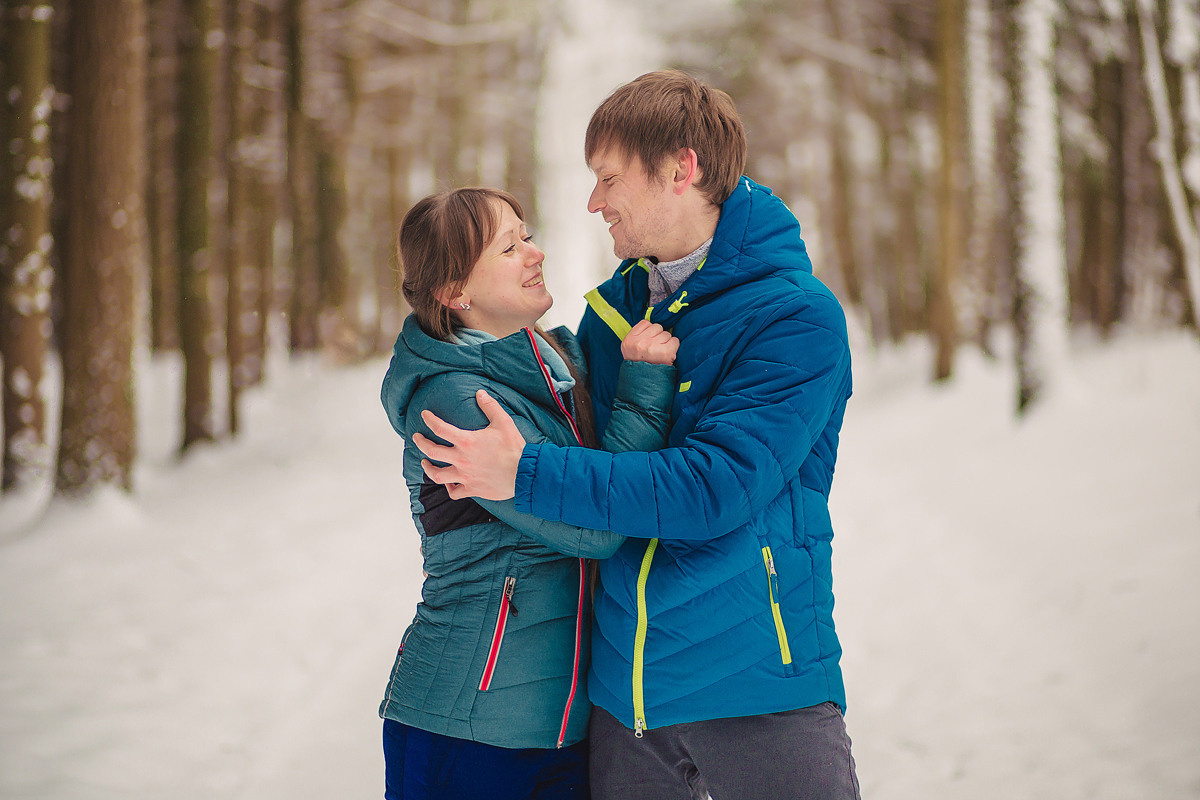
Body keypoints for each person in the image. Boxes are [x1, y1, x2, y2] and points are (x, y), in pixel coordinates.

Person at [411, 71, 860, 800]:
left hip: (757, 693)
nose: (594, 202)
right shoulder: (612, 315)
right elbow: (577, 447)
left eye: (608, 178)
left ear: (681, 170)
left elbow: (711, 489)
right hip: (623, 709)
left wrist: (523, 474)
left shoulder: (793, 316)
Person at [379, 186, 680, 800]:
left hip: (557, 727)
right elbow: (597, 525)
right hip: (467, 726)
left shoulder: (551, 371)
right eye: (508, 247)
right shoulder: (457, 401)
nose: (534, 254)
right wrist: (644, 391)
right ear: (454, 292)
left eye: (528, 236)